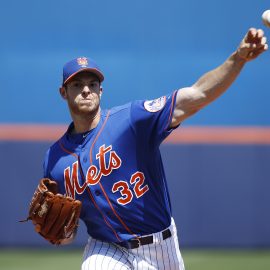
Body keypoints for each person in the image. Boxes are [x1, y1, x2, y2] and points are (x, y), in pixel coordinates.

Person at [43, 28, 267, 270]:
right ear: (63, 92)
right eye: (77, 84)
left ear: (101, 90)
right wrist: (61, 234)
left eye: (92, 83)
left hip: (161, 247)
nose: (86, 90)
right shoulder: (55, 160)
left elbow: (197, 94)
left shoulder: (130, 120)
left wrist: (238, 58)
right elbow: (66, 232)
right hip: (106, 248)